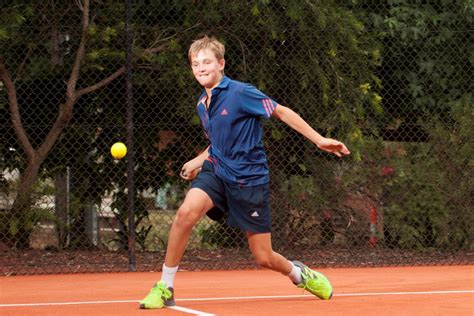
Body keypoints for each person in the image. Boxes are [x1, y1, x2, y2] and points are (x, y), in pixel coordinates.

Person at [139, 35, 350, 309]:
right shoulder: (202, 104)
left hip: (249, 180)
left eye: (207, 62)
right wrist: (198, 161)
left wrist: (319, 139)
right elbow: (218, 143)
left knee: (263, 257)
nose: (201, 68)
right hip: (217, 171)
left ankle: (299, 274)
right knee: (185, 214)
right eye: (195, 64)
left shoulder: (241, 93)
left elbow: (281, 112)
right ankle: (165, 287)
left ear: (221, 64)